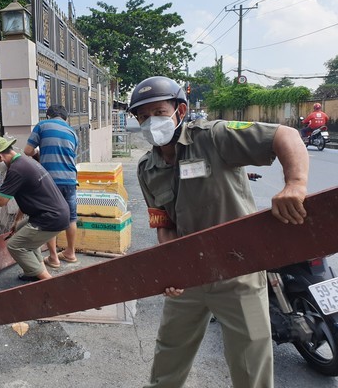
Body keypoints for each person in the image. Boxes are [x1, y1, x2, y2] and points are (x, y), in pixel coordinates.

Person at [127, 76, 309, 388]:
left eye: (158, 113)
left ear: (180, 111)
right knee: (169, 354)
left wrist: (294, 183)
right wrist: (171, 268)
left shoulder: (213, 137)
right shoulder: (147, 168)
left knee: (250, 360)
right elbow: (163, 224)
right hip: (189, 275)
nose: (149, 123)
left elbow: (285, 135)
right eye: (142, 117)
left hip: (238, 270)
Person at [0, 136, 70, 282]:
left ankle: (49, 282)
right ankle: (34, 273)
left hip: (50, 218)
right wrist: (17, 220)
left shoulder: (17, 170)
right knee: (20, 231)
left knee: (15, 245)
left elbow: (1, 200)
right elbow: (27, 196)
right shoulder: (26, 162)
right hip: (55, 214)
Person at [24, 104, 79, 268]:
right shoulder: (72, 132)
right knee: (71, 218)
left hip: (51, 181)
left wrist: (38, 154)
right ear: (65, 118)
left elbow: (27, 151)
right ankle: (70, 253)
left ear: (48, 116)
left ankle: (54, 258)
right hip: (70, 179)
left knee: (50, 218)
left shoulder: (42, 126)